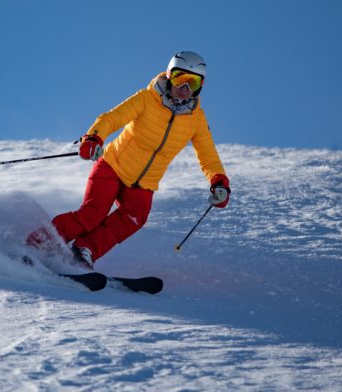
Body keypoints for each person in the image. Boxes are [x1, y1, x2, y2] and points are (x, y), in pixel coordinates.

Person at [27, 51, 231, 269]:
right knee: (92, 215)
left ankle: (84, 251)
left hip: (144, 184)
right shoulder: (146, 99)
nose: (185, 88)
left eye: (193, 83)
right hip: (113, 167)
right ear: (170, 76)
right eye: (180, 79)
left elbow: (208, 155)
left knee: (135, 217)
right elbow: (112, 118)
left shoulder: (196, 120)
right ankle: (38, 244)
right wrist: (94, 138)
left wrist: (219, 182)